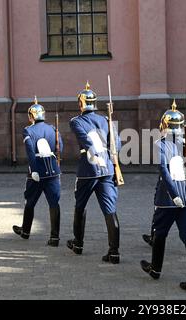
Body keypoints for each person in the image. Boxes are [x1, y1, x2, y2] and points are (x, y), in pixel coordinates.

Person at [140, 100, 186, 293]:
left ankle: (155, 269)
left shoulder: (159, 144)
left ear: (165, 125)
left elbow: (164, 172)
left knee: (160, 233)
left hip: (167, 199)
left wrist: (174, 194)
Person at [67, 82, 122, 264]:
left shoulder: (76, 121)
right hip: (107, 168)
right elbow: (118, 145)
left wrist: (95, 155)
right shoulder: (106, 120)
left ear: (81, 103)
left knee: (80, 206)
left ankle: (78, 243)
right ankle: (114, 252)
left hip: (88, 169)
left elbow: (86, 140)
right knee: (110, 209)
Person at [13, 97, 63, 247]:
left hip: (37, 171)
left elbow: (30, 151)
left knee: (30, 201)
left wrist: (34, 170)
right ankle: (55, 237)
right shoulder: (53, 129)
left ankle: (26, 231)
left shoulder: (28, 130)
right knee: (54, 203)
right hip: (53, 170)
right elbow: (60, 147)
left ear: (31, 116)